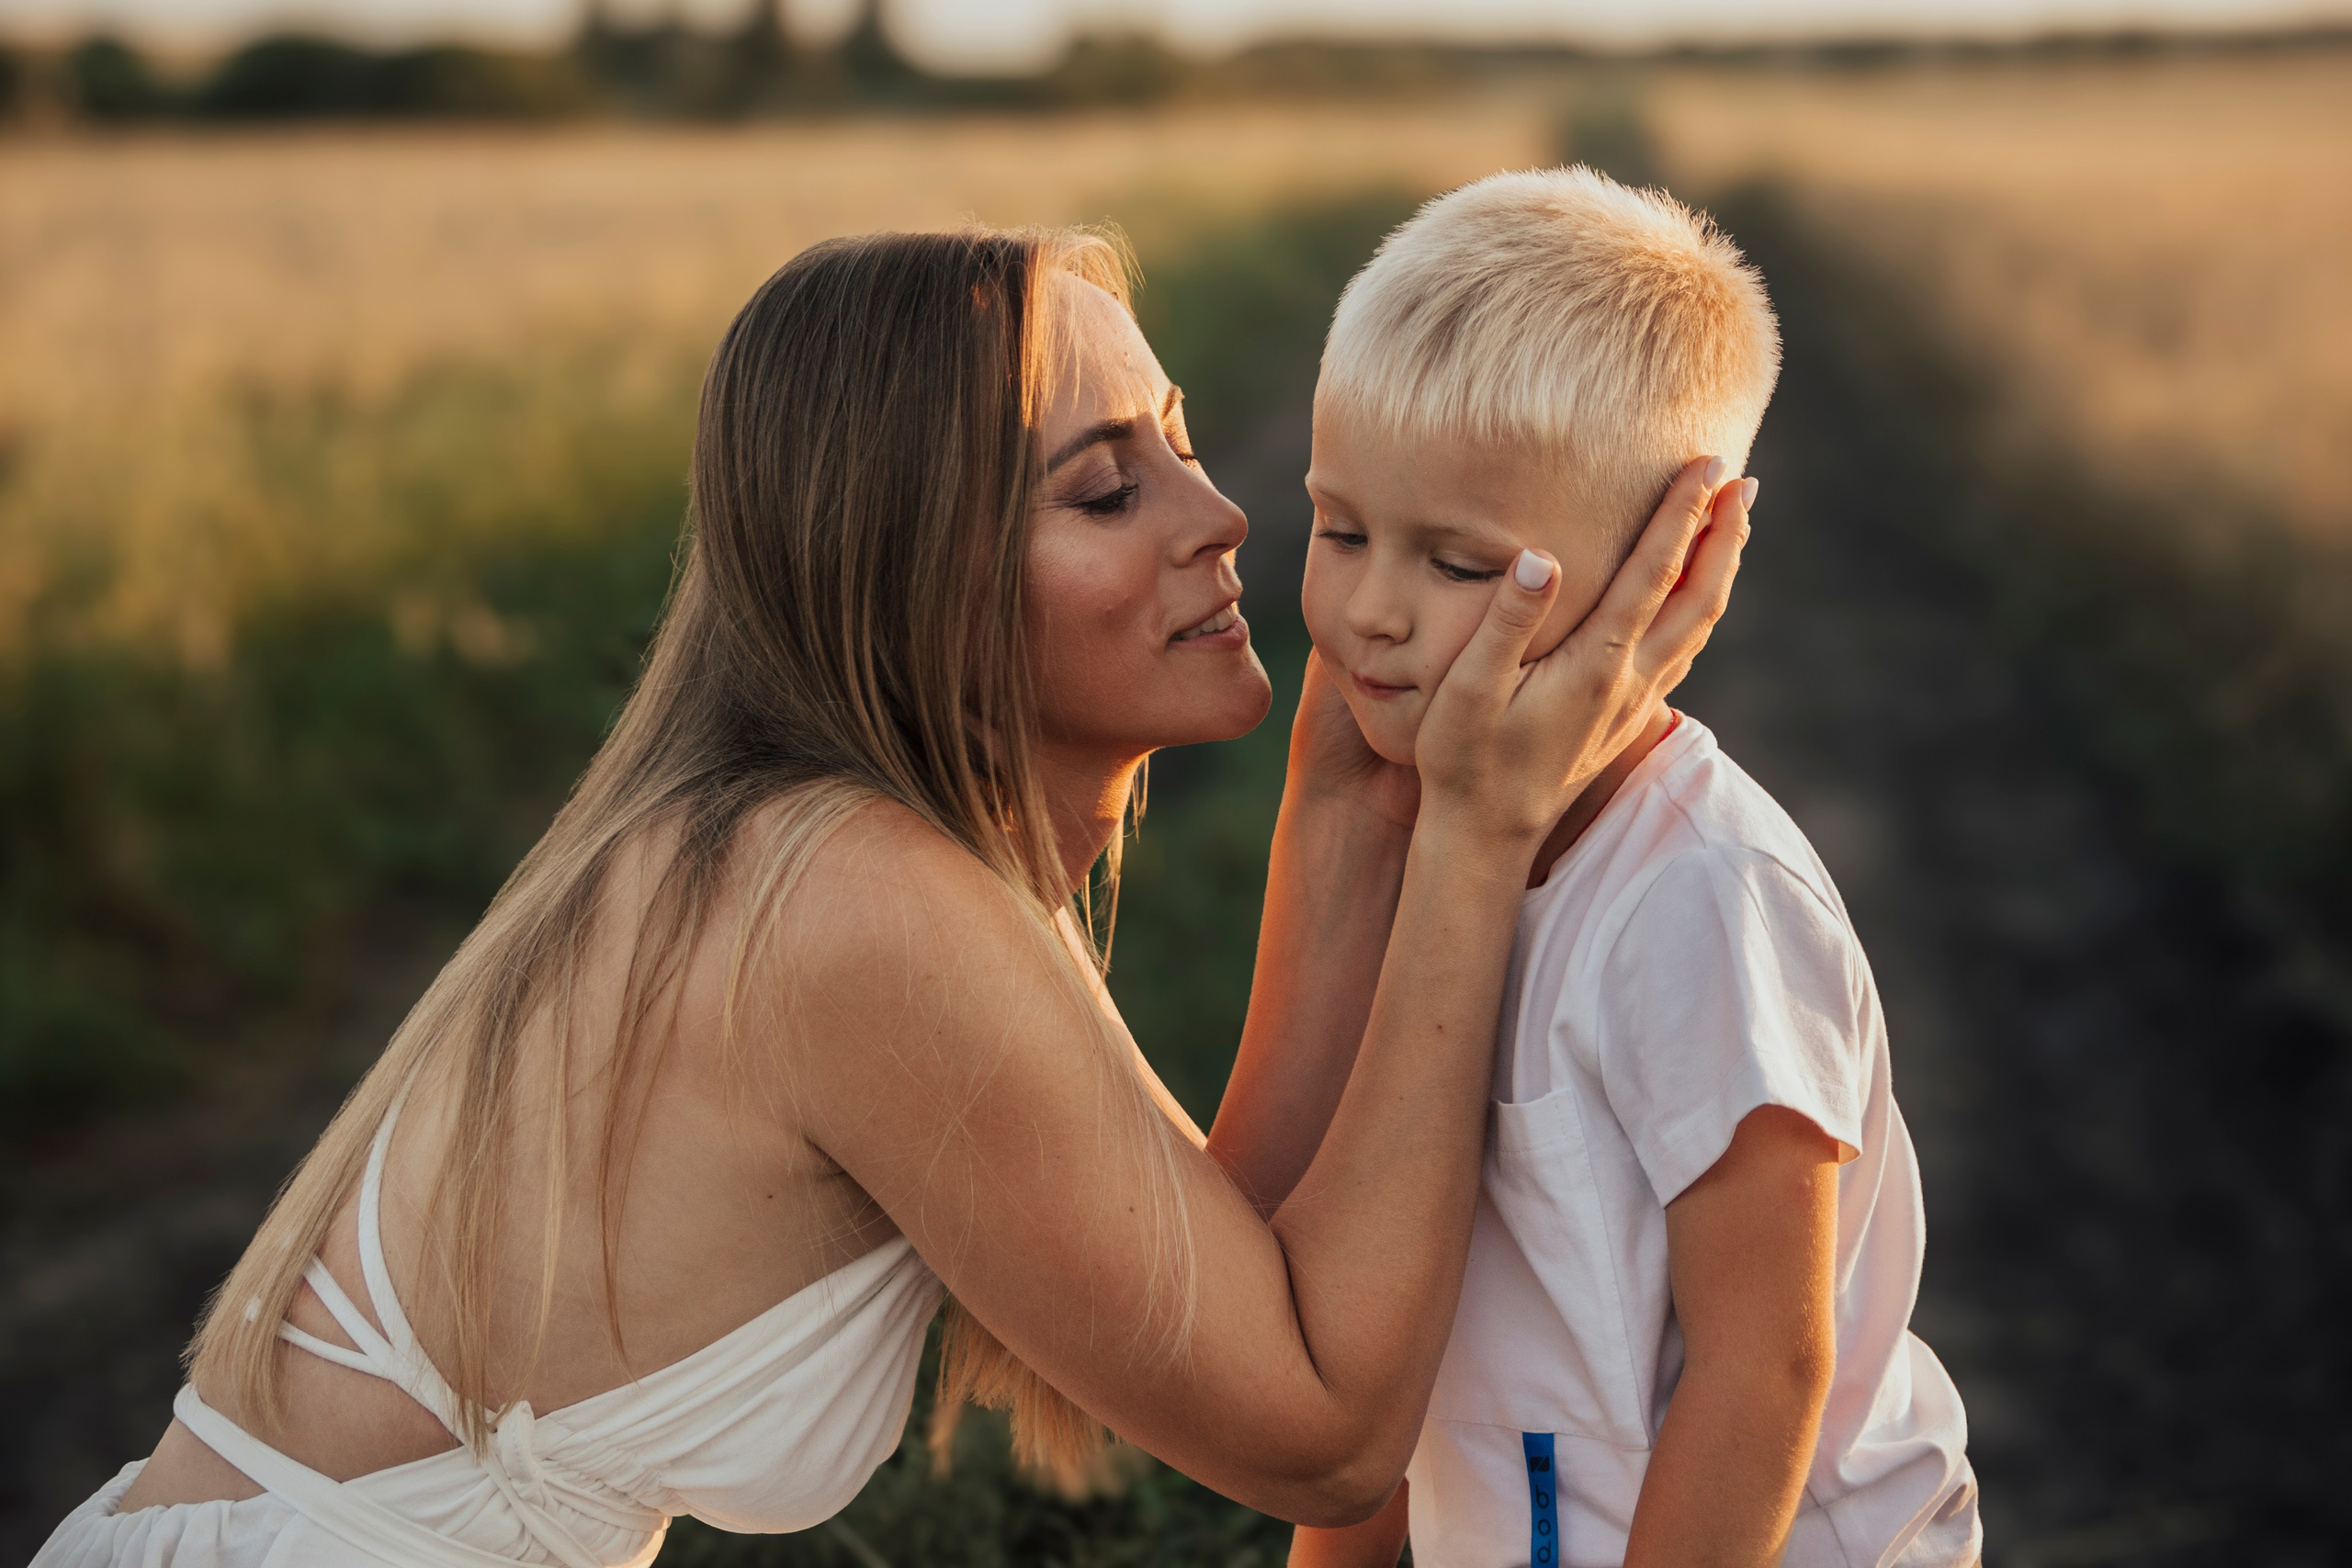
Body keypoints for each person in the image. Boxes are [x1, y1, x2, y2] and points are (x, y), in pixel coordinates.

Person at [32, 222, 1749, 1568]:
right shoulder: (844, 904)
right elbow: (1321, 1432)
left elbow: (1235, 1273)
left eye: (1180, 444)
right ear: (923, 568)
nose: (1226, 518)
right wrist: (1473, 834)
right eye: (1108, 487)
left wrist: (1347, 812)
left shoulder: (833, 857)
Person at [1283, 169, 1979, 1568]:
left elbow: (1760, 1372)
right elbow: (1374, 1317)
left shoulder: (1700, 901)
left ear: (1670, 567)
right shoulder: (1431, 837)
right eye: (1342, 530)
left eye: (1461, 565)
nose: (1371, 610)